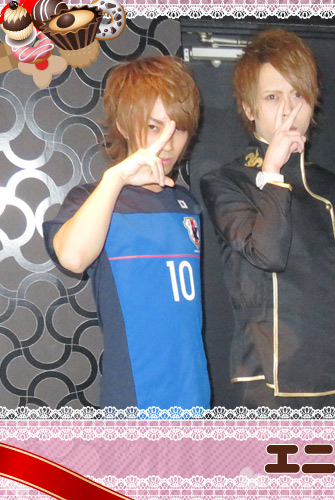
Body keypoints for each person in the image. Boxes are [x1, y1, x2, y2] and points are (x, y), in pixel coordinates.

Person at [43, 56, 210, 409]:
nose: (168, 143)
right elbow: (72, 257)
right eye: (153, 126)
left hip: (194, 396)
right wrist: (115, 179)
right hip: (135, 402)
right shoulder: (94, 199)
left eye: (179, 129)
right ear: (123, 123)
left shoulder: (187, 204)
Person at [200, 29, 335, 409]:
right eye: (272, 97)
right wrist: (271, 171)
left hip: (331, 372)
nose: (289, 110)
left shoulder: (327, 183)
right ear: (249, 109)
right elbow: (268, 253)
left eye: (298, 94)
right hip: (266, 374)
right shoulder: (225, 182)